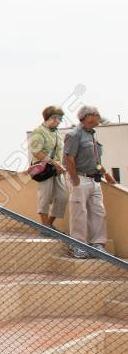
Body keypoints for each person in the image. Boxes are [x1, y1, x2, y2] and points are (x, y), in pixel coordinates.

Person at [64, 105, 118, 258]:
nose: (97, 119)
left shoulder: (92, 134)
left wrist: (106, 174)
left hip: (95, 179)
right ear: (86, 117)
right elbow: (69, 158)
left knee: (99, 212)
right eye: (94, 116)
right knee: (79, 213)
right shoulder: (74, 134)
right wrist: (74, 180)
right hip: (79, 178)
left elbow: (95, 160)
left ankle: (98, 245)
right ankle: (78, 245)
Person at [28, 105, 67, 228]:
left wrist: (61, 165)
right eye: (54, 117)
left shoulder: (57, 133)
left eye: (59, 118)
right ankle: (45, 226)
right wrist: (54, 163)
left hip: (57, 169)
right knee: (45, 197)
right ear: (47, 117)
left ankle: (49, 224)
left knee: (63, 197)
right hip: (44, 168)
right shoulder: (38, 131)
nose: (57, 120)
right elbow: (36, 152)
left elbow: (61, 151)